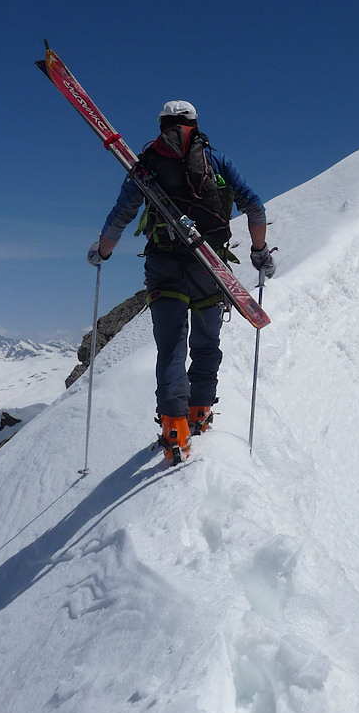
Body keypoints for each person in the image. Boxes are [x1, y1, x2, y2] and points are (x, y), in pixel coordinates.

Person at [87, 99, 274, 463]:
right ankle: (200, 413)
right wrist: (259, 253)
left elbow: (121, 214)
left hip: (164, 266)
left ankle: (175, 428)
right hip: (210, 267)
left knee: (171, 346)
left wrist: (103, 252)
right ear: (196, 125)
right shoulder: (217, 161)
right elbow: (256, 207)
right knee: (206, 344)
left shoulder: (146, 166)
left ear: (161, 125)